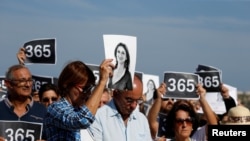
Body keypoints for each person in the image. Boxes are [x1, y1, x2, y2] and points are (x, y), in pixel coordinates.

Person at [43, 59, 113, 141]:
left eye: (90, 88)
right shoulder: (54, 108)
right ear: (67, 85)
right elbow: (81, 120)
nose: (87, 93)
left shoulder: (81, 110)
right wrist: (102, 82)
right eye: (84, 88)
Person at [88, 75, 152, 141]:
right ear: (115, 94)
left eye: (138, 100)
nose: (134, 106)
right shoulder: (98, 118)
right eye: (129, 100)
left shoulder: (142, 120)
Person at [0, 64, 47, 140]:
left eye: (30, 80)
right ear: (8, 84)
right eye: (22, 81)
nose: (28, 85)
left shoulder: (43, 111)